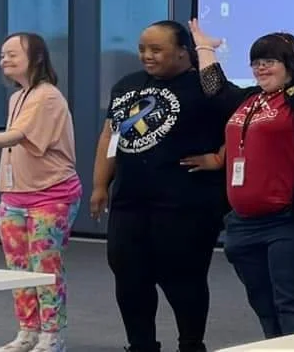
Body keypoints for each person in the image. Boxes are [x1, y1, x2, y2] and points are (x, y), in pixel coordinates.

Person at [187, 0, 294, 338]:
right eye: (256, 62)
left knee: (293, 303)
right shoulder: (249, 100)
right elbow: (215, 88)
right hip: (243, 224)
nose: (260, 68)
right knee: (264, 305)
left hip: (291, 222)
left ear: (291, 65)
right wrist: (204, 47)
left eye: (270, 61)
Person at [90, 20, 229, 352]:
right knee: (129, 277)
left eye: (156, 49)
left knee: (183, 279)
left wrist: (219, 158)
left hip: (185, 205)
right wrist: (99, 185)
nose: (147, 56)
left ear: (182, 52)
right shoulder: (127, 85)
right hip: (129, 203)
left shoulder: (206, 87)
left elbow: (240, 125)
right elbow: (110, 137)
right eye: (142, 49)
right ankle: (141, 345)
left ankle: (191, 344)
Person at [0, 33, 81, 352]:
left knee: (45, 269)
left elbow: (16, 136)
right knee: (19, 270)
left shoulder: (47, 96)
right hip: (13, 197)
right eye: (2, 55)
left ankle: (52, 335)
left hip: (51, 195)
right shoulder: (18, 97)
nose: (4, 59)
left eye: (12, 54)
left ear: (37, 58)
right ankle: (28, 332)